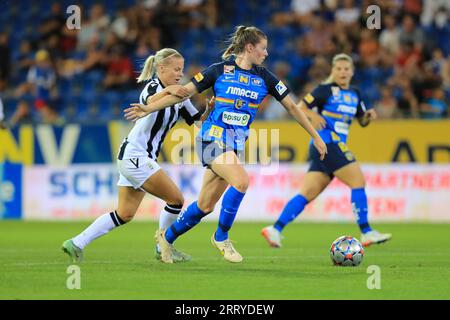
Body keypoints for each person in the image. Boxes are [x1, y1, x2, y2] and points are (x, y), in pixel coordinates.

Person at [124, 26, 327, 263]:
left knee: (205, 206)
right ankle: (221, 237)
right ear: (250, 48)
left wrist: (315, 135)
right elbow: (183, 94)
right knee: (241, 181)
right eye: (263, 48)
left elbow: (292, 106)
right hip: (211, 138)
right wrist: (149, 107)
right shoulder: (218, 70)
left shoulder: (266, 77)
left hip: (233, 144)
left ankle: (166, 239)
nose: (266, 53)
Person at [62, 48, 213, 263]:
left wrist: (210, 110)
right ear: (161, 68)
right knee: (176, 200)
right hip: (136, 155)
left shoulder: (180, 96)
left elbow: (199, 123)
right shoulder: (153, 87)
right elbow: (149, 101)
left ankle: (76, 243)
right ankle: (163, 247)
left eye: (182, 70)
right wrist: (170, 91)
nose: (180, 74)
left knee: (125, 213)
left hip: (137, 157)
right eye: (176, 69)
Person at [261, 53, 392, 248]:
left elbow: (361, 121)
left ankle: (275, 229)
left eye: (346, 69)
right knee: (358, 181)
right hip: (328, 143)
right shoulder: (325, 90)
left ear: (352, 72)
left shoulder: (355, 93)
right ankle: (366, 232)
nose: (342, 72)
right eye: (338, 69)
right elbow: (300, 107)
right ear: (333, 71)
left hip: (329, 147)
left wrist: (368, 116)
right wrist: (312, 117)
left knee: (307, 193)